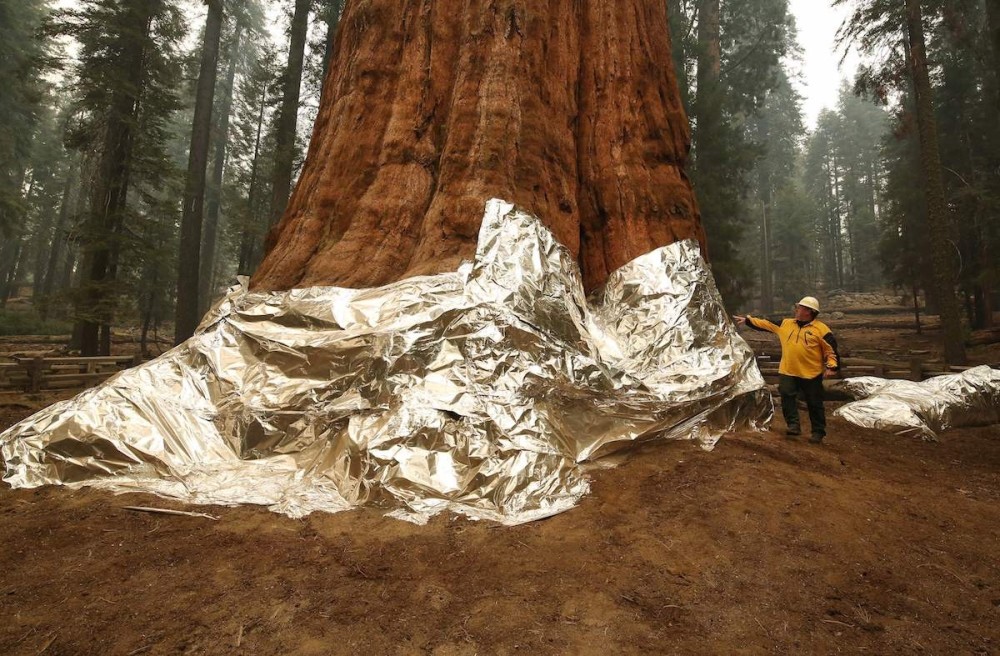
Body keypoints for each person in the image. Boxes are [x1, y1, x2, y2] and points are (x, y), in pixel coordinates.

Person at [734, 296, 840, 444]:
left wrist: (832, 366)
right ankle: (793, 425)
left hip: (811, 373)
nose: (797, 309)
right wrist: (748, 320)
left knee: (814, 402)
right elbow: (767, 324)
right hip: (788, 371)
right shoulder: (786, 324)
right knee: (787, 396)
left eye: (800, 308)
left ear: (809, 312)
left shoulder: (821, 330)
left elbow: (831, 351)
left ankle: (818, 431)